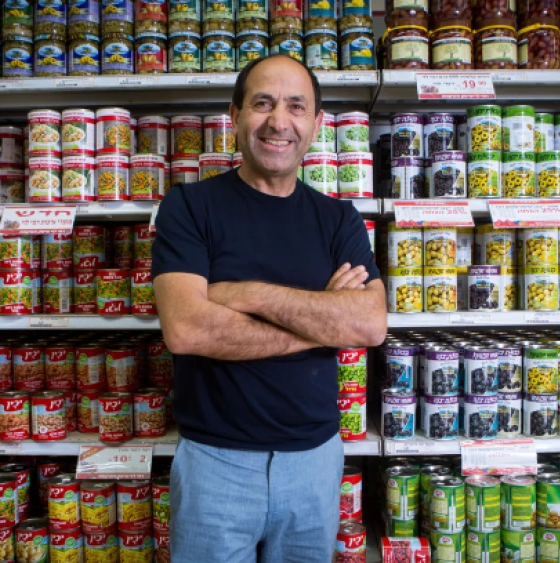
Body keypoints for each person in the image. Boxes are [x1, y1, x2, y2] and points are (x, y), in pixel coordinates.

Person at [151, 54, 387, 563]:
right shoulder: (188, 206)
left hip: (315, 463)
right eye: (263, 103)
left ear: (317, 124)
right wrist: (324, 318)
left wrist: (247, 295)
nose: (279, 121)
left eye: (296, 107)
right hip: (215, 464)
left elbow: (368, 324)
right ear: (234, 115)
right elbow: (189, 329)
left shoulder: (338, 217)